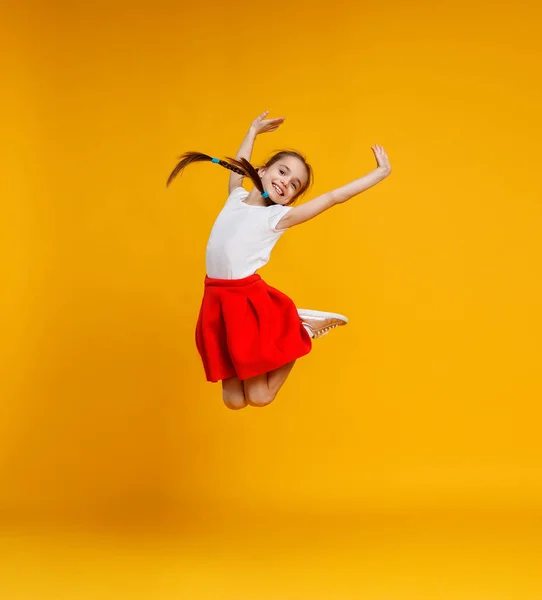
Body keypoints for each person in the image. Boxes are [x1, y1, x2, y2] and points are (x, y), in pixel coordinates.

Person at [167, 111, 391, 410]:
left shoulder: (277, 218)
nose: (286, 182)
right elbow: (237, 166)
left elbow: (333, 197)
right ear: (261, 170)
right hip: (216, 300)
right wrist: (252, 131)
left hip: (245, 302)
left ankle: (303, 331)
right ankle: (298, 327)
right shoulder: (235, 198)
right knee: (233, 401)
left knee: (260, 397)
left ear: (291, 200)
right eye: (282, 172)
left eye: (295, 184)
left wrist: (379, 174)